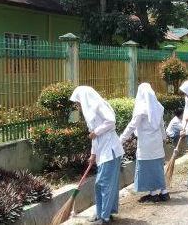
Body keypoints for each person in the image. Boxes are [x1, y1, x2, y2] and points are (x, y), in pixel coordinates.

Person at [70, 86, 125, 225]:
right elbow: (94, 136)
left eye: (78, 102)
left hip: (111, 151)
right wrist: (93, 154)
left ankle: (104, 217)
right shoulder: (89, 113)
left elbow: (111, 120)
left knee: (104, 184)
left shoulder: (99, 104)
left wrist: (97, 132)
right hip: (103, 152)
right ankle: (103, 213)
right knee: (102, 184)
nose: (78, 105)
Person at [120, 83, 169, 203]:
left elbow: (132, 126)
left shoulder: (142, 108)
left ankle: (153, 194)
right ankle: (164, 192)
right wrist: (164, 138)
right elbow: (162, 125)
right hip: (157, 142)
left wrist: (121, 138)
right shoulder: (158, 106)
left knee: (148, 169)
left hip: (146, 144)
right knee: (157, 167)